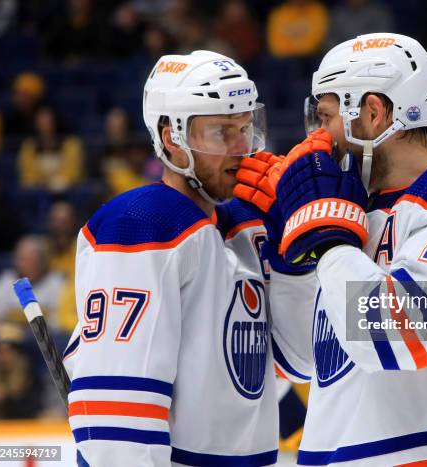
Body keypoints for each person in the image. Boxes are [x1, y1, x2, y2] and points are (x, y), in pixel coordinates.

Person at [236, 32, 427, 466]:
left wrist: (327, 241)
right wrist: (296, 257)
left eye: (326, 118)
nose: (318, 137)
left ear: (372, 113)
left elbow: (403, 337)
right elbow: (304, 363)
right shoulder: (351, 215)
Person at [63, 50, 299, 466]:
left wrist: (299, 255)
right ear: (172, 138)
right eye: (222, 131)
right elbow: (119, 411)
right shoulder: (141, 222)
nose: (243, 148)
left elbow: (301, 363)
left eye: (246, 127)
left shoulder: (251, 226)